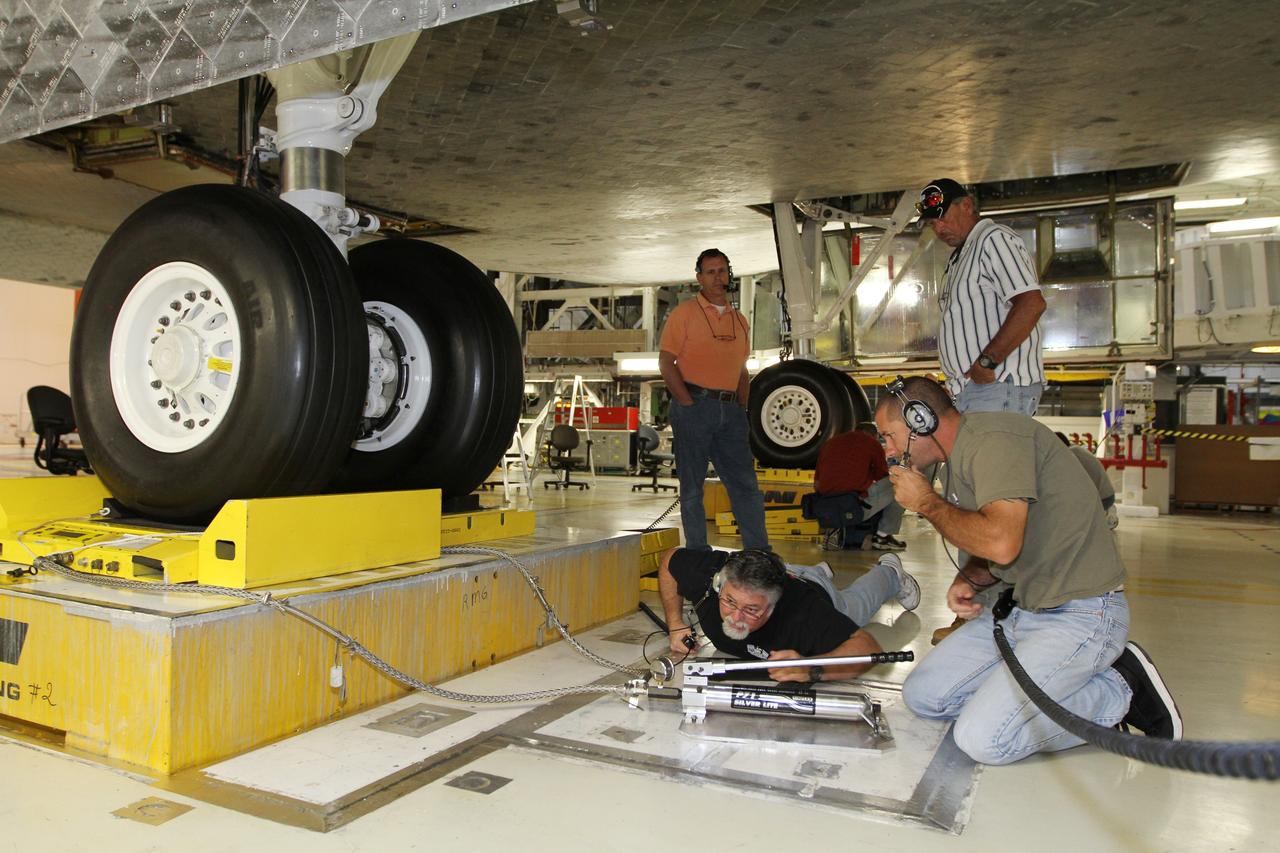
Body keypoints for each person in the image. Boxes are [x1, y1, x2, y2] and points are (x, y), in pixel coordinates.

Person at [874, 376, 1181, 765]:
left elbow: (1002, 542)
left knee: (984, 740)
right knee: (924, 696)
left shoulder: (995, 441)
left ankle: (1120, 690)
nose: (887, 449)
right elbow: (999, 542)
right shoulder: (953, 460)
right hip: (1022, 611)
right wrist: (973, 575)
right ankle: (1031, 691)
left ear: (921, 421)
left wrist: (928, 504)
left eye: (888, 436)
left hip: (1081, 614)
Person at [658, 546, 920, 681]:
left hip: (815, 591)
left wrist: (812, 670)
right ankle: (813, 570)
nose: (735, 617)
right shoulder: (709, 576)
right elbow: (671, 559)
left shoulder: (804, 614)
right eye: (729, 601)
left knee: (857, 605)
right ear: (718, 585)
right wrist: (676, 625)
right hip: (779, 570)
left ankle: (890, 572)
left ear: (774, 606)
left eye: (751, 610)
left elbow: (867, 650)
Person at [659, 248, 768, 551]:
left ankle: (759, 552)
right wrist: (687, 403)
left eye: (722, 271)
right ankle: (698, 554)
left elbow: (743, 369)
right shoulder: (684, 314)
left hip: (731, 412)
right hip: (695, 405)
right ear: (699, 278)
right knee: (693, 489)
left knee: (745, 485)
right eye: (711, 272)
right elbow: (666, 362)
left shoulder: (740, 321)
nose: (718, 277)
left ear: (729, 274)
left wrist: (741, 408)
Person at [917, 178, 1046, 416]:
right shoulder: (962, 255)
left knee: (993, 455)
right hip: (976, 391)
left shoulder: (992, 239)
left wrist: (987, 362)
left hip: (996, 386)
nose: (938, 228)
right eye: (932, 223)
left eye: (943, 217)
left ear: (966, 205)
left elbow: (1031, 303)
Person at [813, 422, 907, 550]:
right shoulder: (872, 443)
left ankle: (838, 527)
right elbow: (882, 476)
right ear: (874, 436)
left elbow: (817, 483)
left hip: (826, 505)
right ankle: (882, 536)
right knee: (900, 484)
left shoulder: (831, 442)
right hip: (852, 507)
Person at [1055, 431, 1118, 530]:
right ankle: (1104, 513)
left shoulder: (1071, 455)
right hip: (1106, 496)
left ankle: (1105, 516)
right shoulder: (1075, 450)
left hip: (1102, 500)